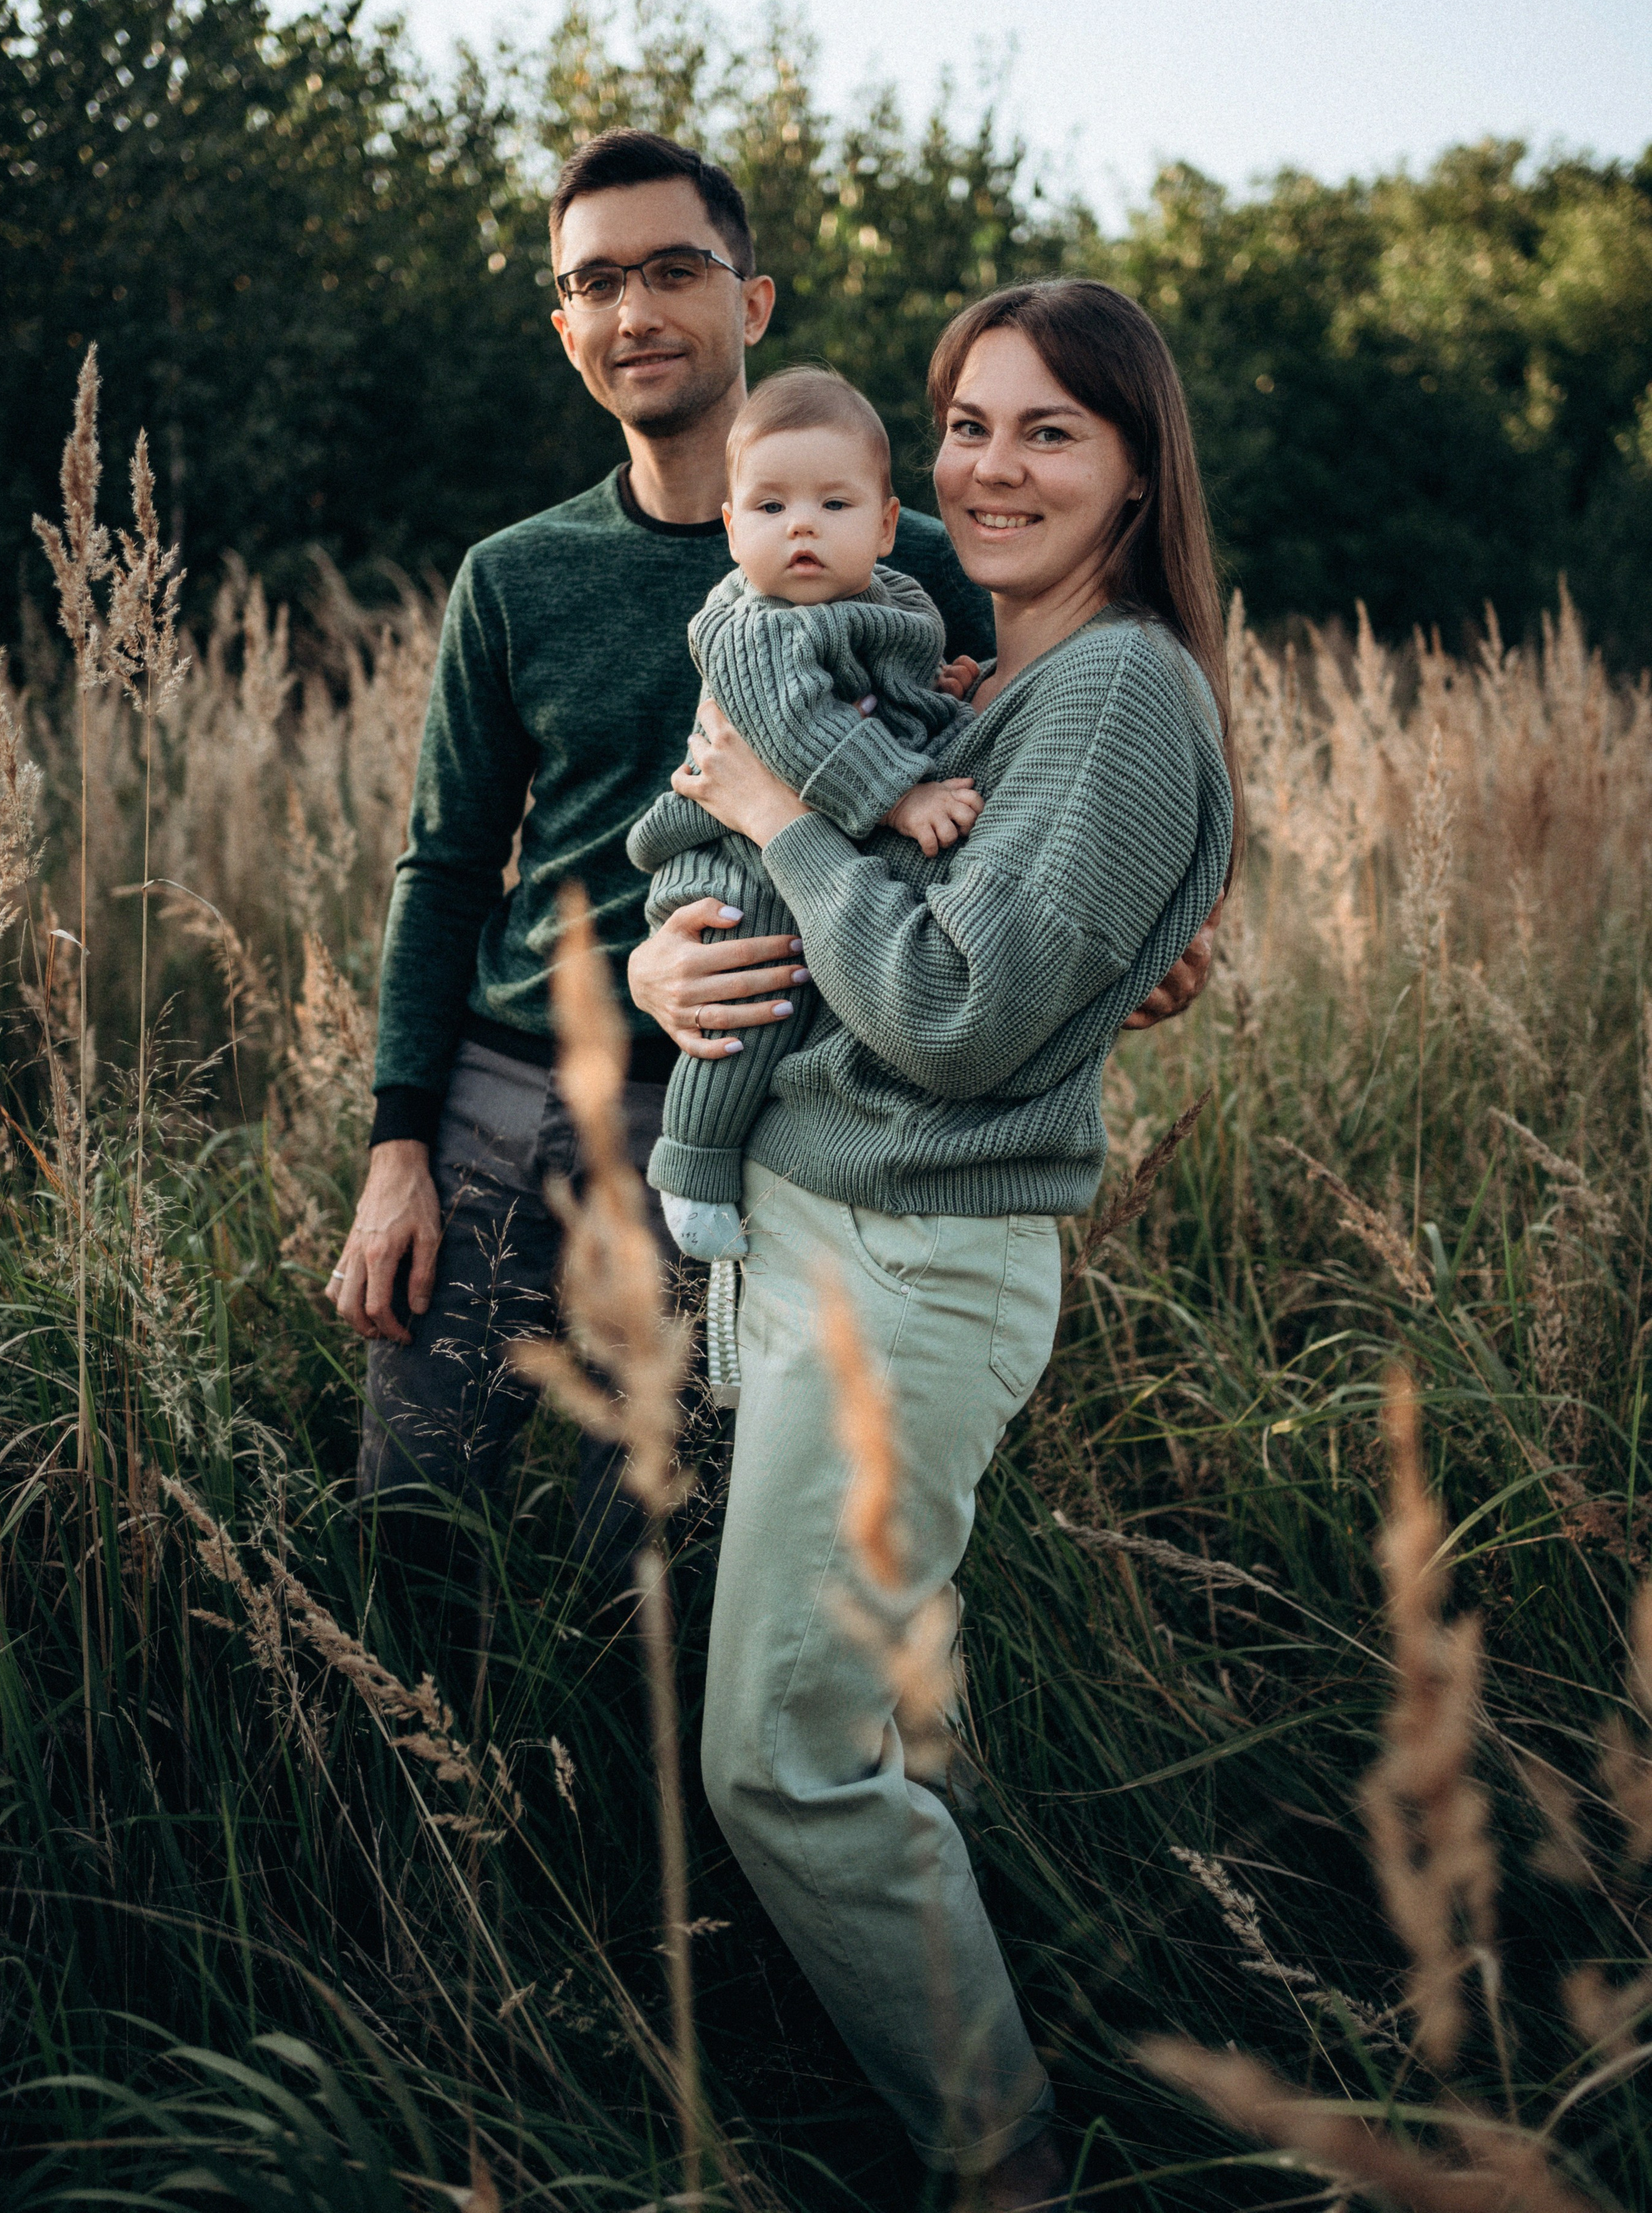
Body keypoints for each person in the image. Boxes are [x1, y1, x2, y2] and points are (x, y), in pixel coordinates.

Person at [328, 126, 1216, 1598]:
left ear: (751, 301)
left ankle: (646, 1756)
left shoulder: (914, 562)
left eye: (674, 269)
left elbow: (1040, 793)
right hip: (506, 1089)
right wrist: (395, 1145)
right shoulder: (515, 576)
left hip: (740, 1113)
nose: (635, 311)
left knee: (653, 1566)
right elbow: (448, 866)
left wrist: (1147, 948)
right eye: (595, 283)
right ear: (563, 327)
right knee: (411, 1526)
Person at [638, 277, 1237, 2207]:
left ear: (1135, 471)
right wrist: (675, 965)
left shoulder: (1118, 689)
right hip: (835, 1242)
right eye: (968, 423)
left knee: (781, 1760)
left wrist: (778, 821)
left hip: (905, 1269)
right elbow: (882, 947)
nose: (992, 466)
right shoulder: (984, 688)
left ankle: (1006, 2172)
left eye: (1050, 431)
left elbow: (956, 1017)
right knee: (870, 1731)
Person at [629, 365, 986, 1266]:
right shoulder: (753, 628)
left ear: (886, 525)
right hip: (730, 859)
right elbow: (801, 730)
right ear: (731, 529)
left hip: (797, 838)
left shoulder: (895, 601)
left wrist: (942, 695)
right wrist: (904, 797)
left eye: (833, 504)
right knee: (755, 997)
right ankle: (693, 1162)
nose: (801, 526)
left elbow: (888, 694)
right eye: (770, 507)